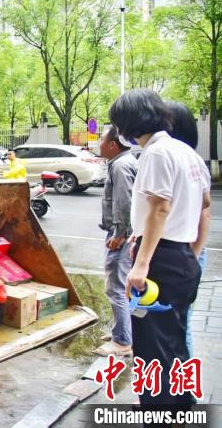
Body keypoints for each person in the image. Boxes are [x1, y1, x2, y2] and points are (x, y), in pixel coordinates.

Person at [109, 89, 210, 414]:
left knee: (152, 347)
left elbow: (159, 210)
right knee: (174, 341)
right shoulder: (186, 152)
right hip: (181, 258)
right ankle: (181, 409)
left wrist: (140, 266)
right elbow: (204, 206)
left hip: (159, 261)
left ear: (129, 122)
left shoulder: (155, 154)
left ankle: (159, 417)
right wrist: (191, 253)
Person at [167, 101, 211, 358]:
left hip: (182, 254)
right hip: (186, 253)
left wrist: (193, 255)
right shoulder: (192, 160)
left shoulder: (181, 161)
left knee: (177, 324)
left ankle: (184, 389)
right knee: (179, 322)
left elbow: (204, 212)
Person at [94, 125, 137, 357]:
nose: (98, 144)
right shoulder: (123, 161)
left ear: (112, 145)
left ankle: (122, 342)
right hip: (124, 232)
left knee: (116, 288)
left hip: (122, 234)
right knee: (121, 286)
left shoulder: (121, 165)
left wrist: (119, 234)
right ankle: (122, 331)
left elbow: (124, 202)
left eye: (101, 139)